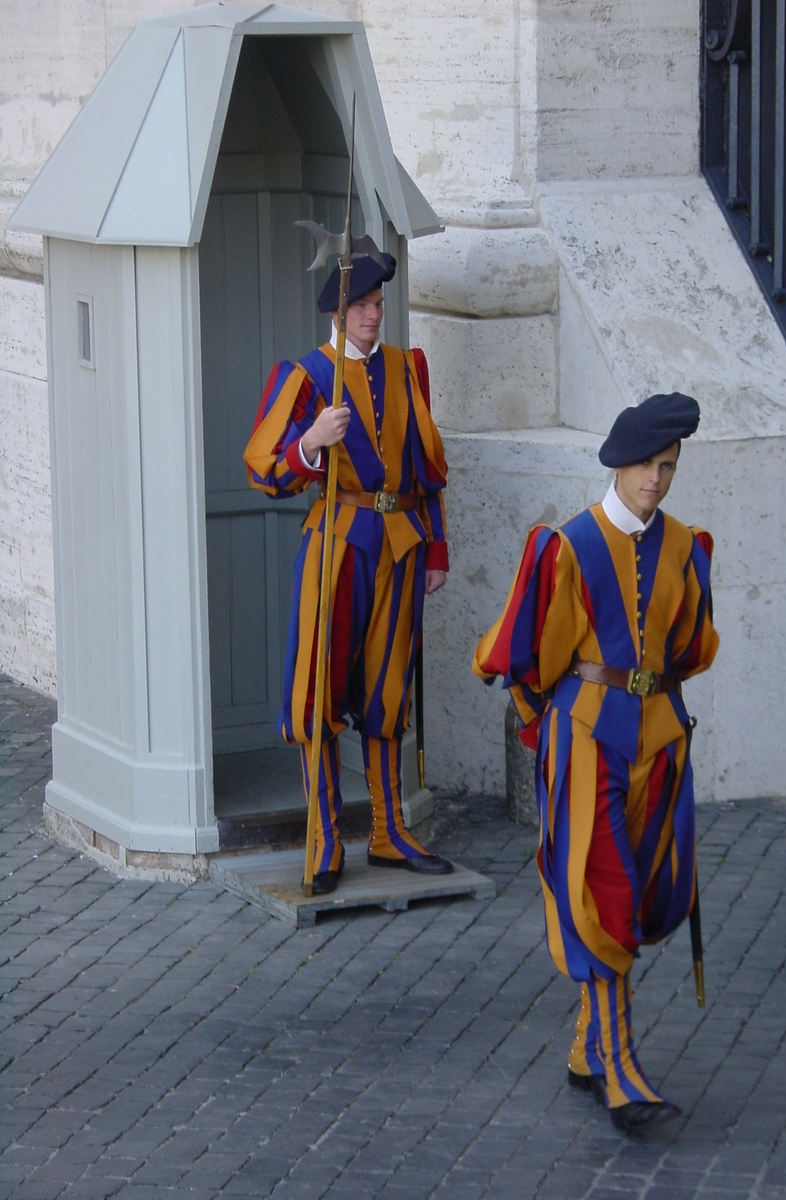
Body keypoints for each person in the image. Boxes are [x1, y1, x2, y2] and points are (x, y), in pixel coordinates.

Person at [473, 393, 719, 1132]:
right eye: (646, 463)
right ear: (617, 461)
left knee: (640, 895)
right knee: (601, 891)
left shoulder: (683, 547)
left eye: (668, 465)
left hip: (659, 742)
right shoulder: (569, 546)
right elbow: (527, 654)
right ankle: (621, 1068)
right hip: (585, 740)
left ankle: (586, 1046)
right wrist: (535, 725)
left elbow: (696, 647)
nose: (656, 477)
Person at [244, 252, 452, 894]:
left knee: (389, 691)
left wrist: (436, 550)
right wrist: (312, 440)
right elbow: (262, 467)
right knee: (319, 690)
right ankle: (325, 841)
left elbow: (428, 469)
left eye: (378, 304)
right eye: (361, 306)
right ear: (337, 313)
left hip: (402, 546)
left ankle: (390, 833)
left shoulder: (405, 367)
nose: (372, 314)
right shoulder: (307, 376)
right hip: (337, 544)